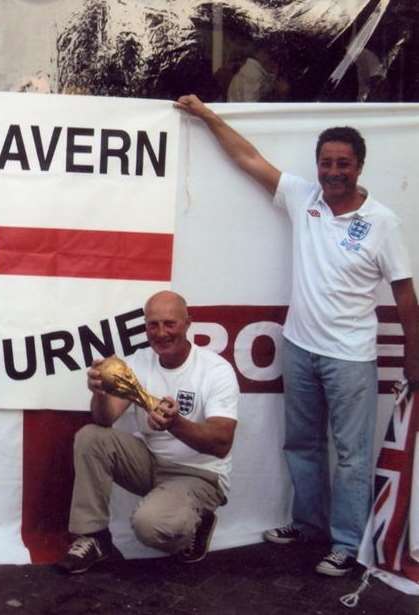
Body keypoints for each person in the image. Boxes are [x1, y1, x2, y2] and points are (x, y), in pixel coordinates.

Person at [174, 94, 419, 576]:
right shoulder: (303, 197)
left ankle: (346, 544)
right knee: (302, 444)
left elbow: (405, 296)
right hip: (301, 348)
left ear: (360, 167)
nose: (333, 171)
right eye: (326, 162)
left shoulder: (382, 222)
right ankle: (309, 525)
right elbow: (248, 159)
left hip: (351, 356)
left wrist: (415, 356)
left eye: (343, 163)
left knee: (351, 456)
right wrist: (205, 114)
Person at [56, 291, 239, 574]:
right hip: (151, 462)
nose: (161, 333)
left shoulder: (215, 370)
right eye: (153, 324)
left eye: (170, 324)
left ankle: (197, 520)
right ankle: (94, 537)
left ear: (188, 323)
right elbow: (104, 420)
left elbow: (221, 443)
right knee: (91, 437)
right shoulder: (140, 362)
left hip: (198, 473)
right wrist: (101, 394)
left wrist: (174, 423)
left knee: (150, 529)